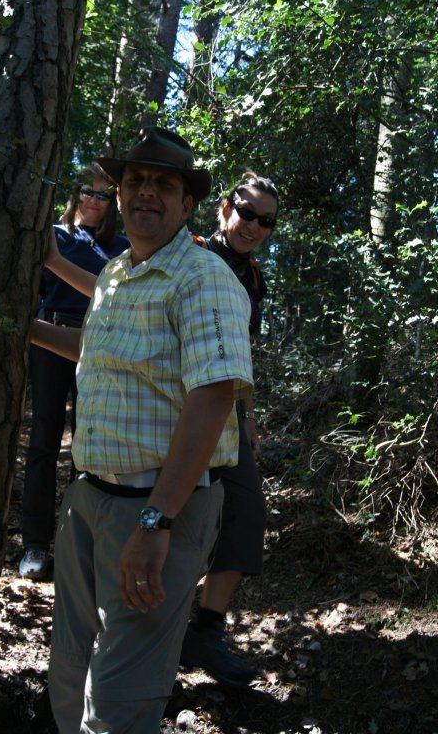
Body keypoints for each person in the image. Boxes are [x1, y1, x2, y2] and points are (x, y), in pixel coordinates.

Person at [29, 127, 254, 733]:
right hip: (88, 499)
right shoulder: (117, 274)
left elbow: (213, 396)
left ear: (188, 203)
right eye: (136, 181)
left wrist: (157, 521)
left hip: (158, 508)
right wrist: (23, 329)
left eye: (164, 183)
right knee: (70, 668)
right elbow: (99, 351)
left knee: (119, 695)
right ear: (120, 195)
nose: (146, 192)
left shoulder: (204, 278)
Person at [180, 172, 279, 687]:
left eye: (266, 221)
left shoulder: (255, 279)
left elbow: (242, 356)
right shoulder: (190, 254)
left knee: (245, 512)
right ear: (225, 207)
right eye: (247, 213)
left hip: (228, 414)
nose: (254, 226)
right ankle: (152, 634)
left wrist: (248, 416)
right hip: (174, 408)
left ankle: (206, 630)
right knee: (173, 514)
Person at [19, 165, 129, 580]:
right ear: (75, 193)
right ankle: (35, 543)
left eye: (103, 194)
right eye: (88, 191)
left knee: (88, 447)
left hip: (97, 345)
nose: (94, 200)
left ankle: (76, 543)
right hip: (50, 340)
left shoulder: (120, 247)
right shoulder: (54, 234)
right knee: (44, 442)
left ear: (112, 202)